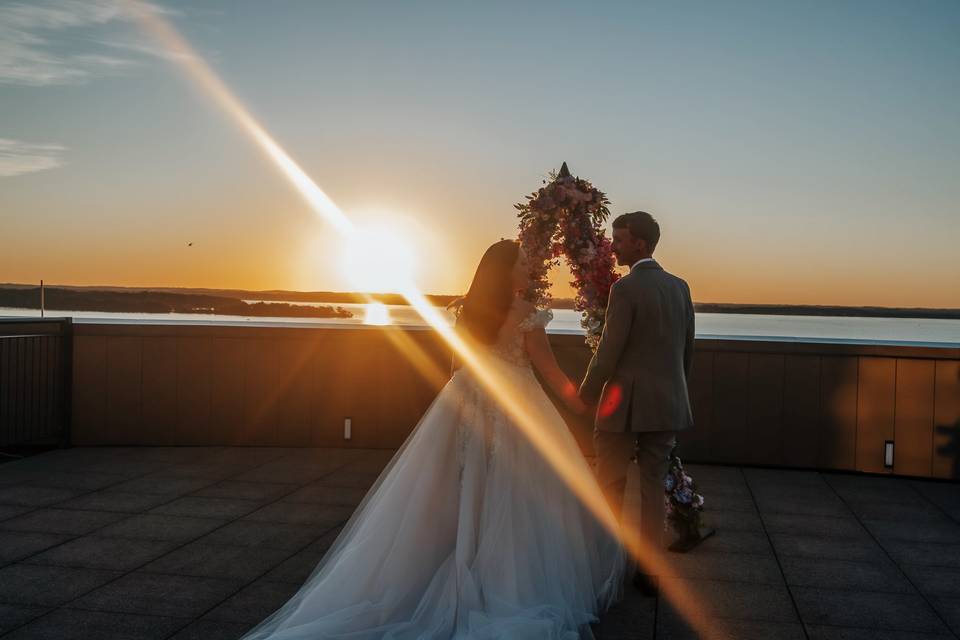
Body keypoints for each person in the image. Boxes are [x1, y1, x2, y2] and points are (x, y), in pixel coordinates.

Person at [241, 239, 625, 639]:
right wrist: (583, 405)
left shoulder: (469, 312)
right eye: (523, 263)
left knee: (457, 488)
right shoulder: (527, 315)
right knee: (513, 492)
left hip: (466, 404)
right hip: (516, 409)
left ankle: (451, 562)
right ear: (504, 270)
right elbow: (550, 372)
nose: (529, 268)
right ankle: (500, 577)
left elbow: (458, 366)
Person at [579, 211, 695, 598]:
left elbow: (609, 353)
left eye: (620, 239)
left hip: (624, 406)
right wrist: (673, 392)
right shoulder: (680, 287)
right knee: (651, 488)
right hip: (668, 403)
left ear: (640, 245)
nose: (613, 246)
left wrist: (586, 392)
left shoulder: (626, 289)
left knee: (610, 482)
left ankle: (603, 563)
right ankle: (649, 571)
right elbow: (686, 352)